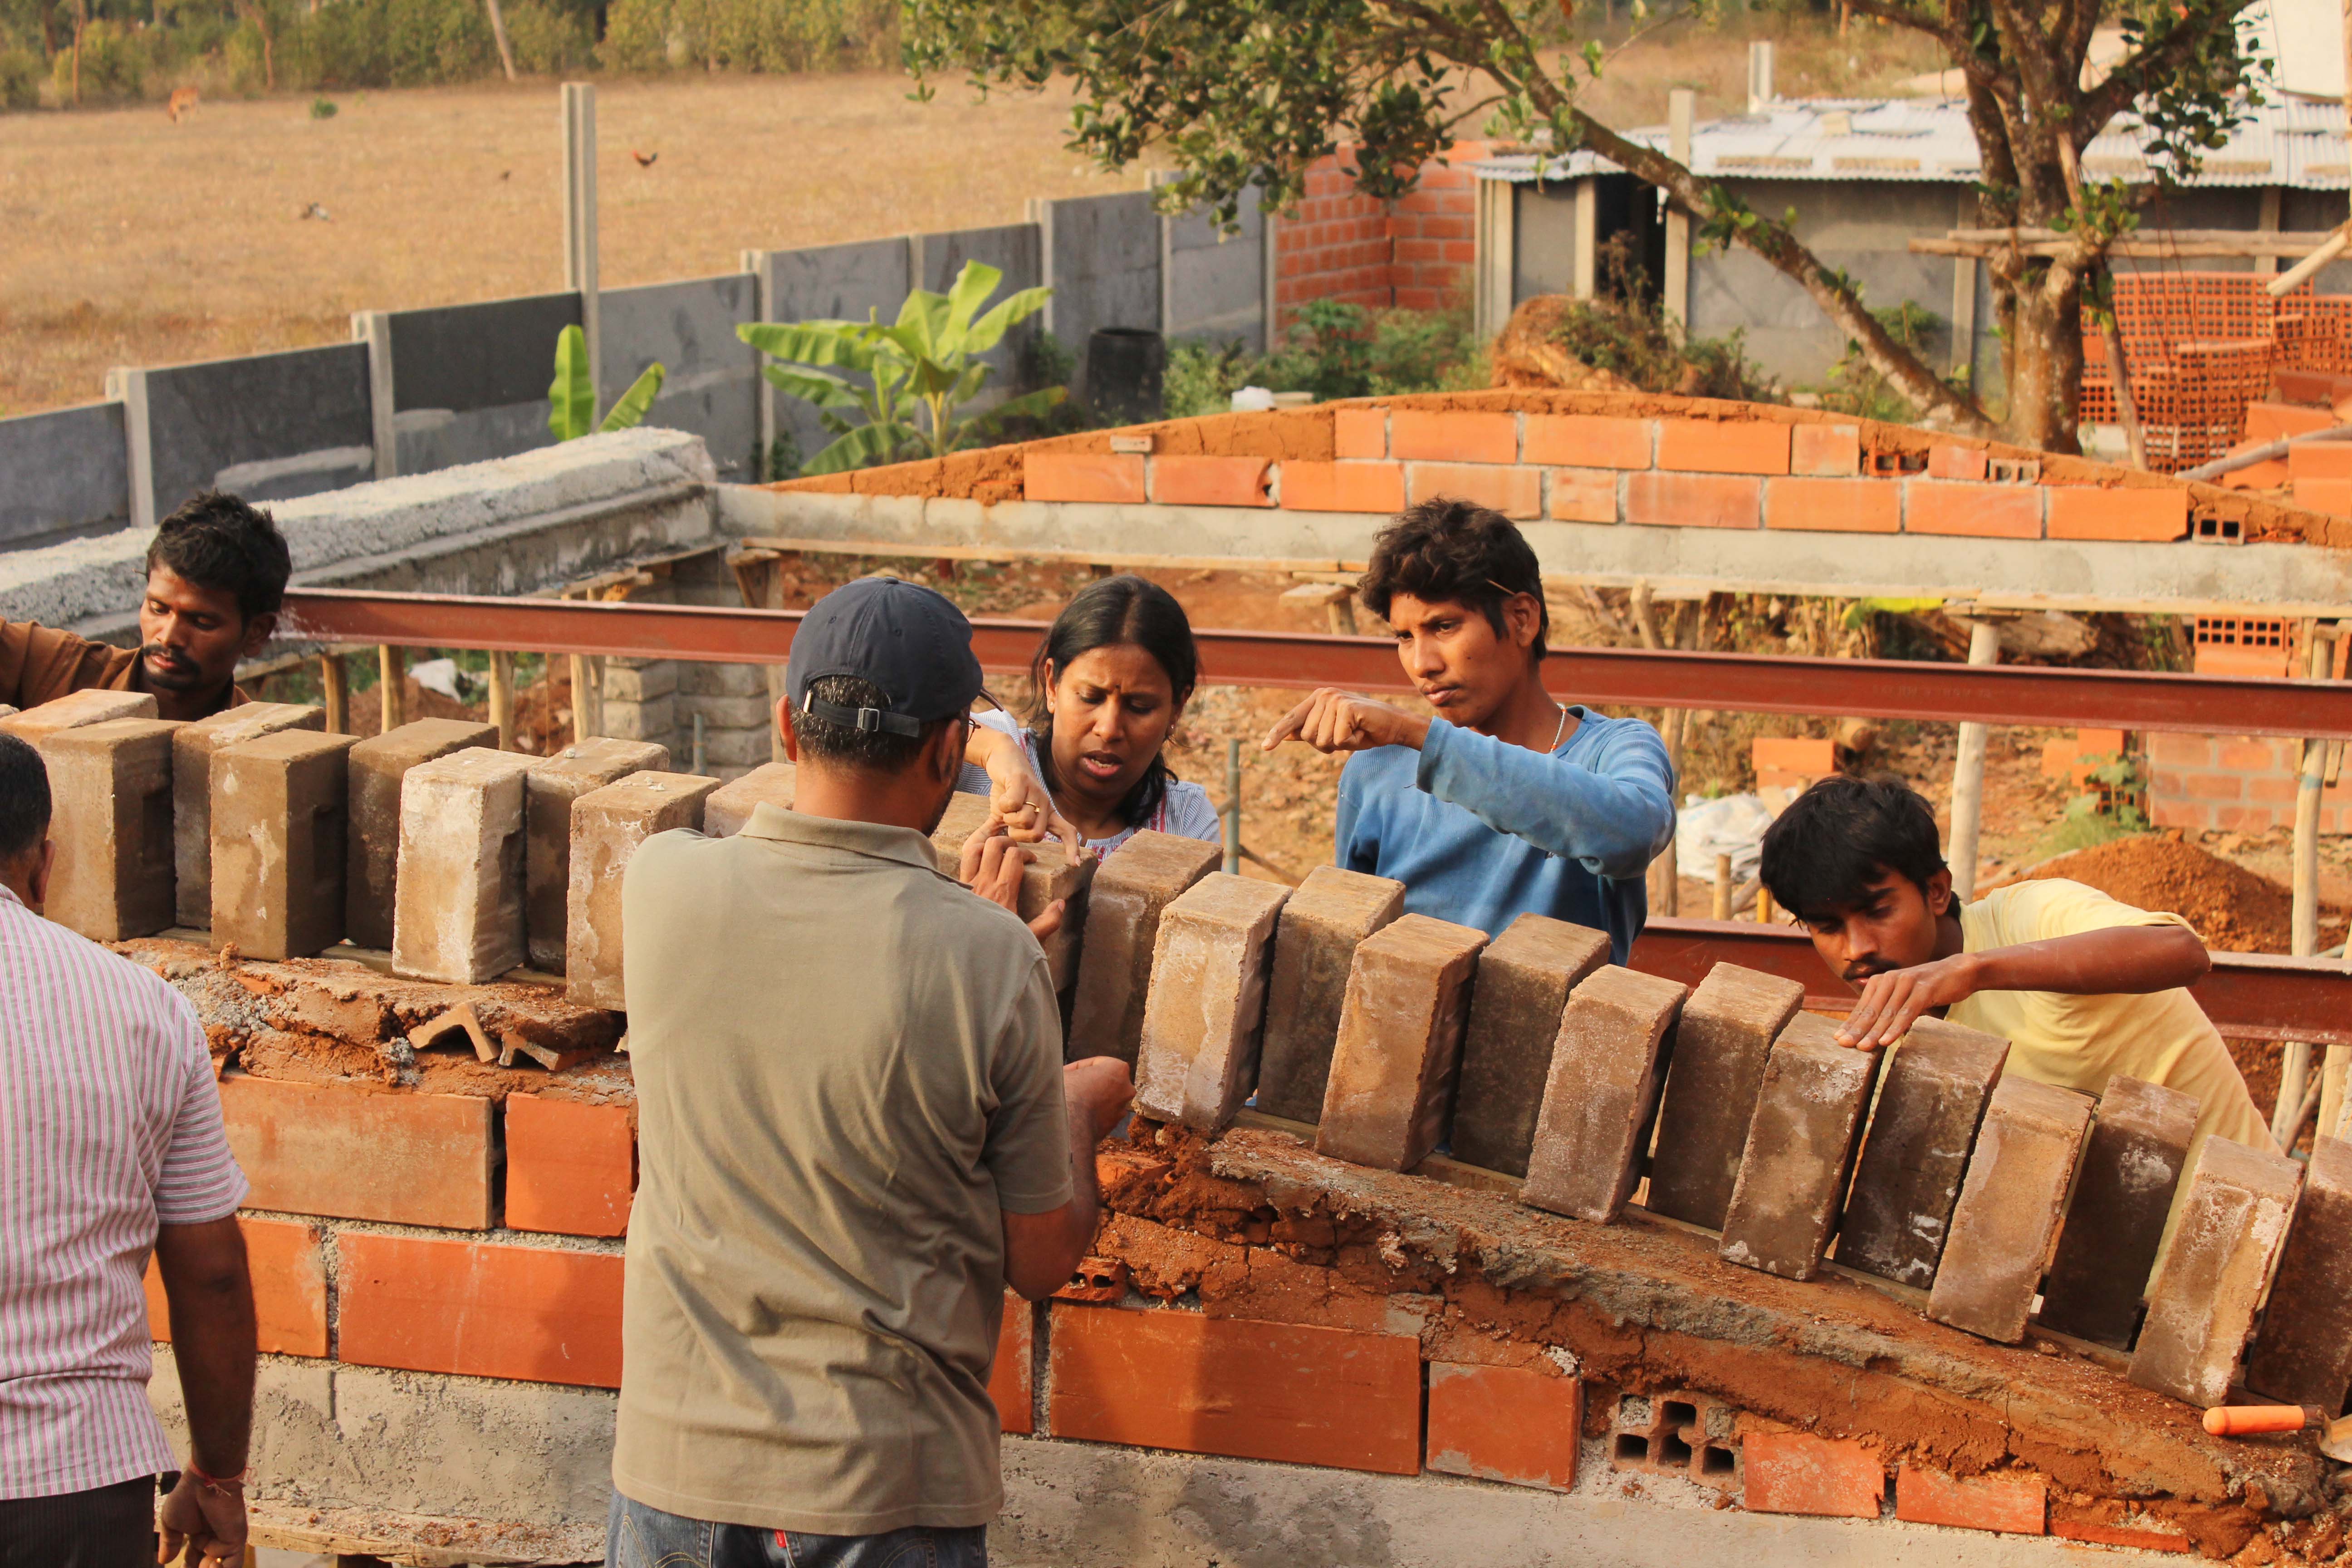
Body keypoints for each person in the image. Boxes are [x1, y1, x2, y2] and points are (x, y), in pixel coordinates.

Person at [608, 576, 1134, 1566]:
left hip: (676, 1478)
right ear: (948, 753)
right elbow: (1043, 1261)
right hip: (882, 1492)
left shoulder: (661, 885)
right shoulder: (990, 959)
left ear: (784, 729)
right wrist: (1071, 1101)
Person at [0, 735, 258, 1568]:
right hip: (73, 1482)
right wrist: (217, 1476)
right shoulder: (143, 1011)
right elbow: (211, 1274)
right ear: (43, 864)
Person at [1757, 774, 2274, 1164]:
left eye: (1878, 912)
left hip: (2245, 1243)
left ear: (1936, 891)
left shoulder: (2033, 918)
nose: (1857, 948)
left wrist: (1973, 971)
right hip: (2105, 1284)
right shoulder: (1893, 1037)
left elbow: (2183, 951)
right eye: (1827, 927)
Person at [1260, 498, 1676, 962]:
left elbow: (1632, 832)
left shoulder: (1613, 751)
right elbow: (1351, 950)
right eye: (1404, 637)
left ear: (1522, 619)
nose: (1422, 664)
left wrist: (1418, 735)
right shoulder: (1378, 769)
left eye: (1444, 626)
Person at [956, 573, 1222, 860]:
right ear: (1052, 685)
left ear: (1177, 707)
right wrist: (994, 750)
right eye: (1090, 698)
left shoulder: (1185, 822)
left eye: (1140, 707)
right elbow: (909, 718)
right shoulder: (982, 764)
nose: (1109, 730)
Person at [0, 491, 289, 721]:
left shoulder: (255, 749)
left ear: (256, 633)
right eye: (158, 609)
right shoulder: (62, 670)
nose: (168, 636)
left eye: (201, 622)